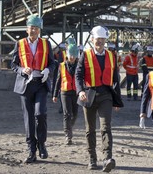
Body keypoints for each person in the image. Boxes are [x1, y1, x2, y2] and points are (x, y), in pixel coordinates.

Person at [75, 25, 123, 172]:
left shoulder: (111, 55)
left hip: (106, 96)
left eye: (102, 39)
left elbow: (115, 79)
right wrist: (80, 91)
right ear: (92, 40)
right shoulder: (85, 54)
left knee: (105, 127)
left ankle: (108, 158)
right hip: (89, 95)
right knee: (90, 130)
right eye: (97, 39)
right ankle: (92, 159)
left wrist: (117, 100)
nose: (100, 42)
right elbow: (78, 75)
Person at [11, 14, 55, 163]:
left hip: (41, 84)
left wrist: (48, 70)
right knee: (29, 118)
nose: (33, 31)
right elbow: (13, 64)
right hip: (25, 85)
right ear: (27, 29)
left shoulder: (46, 44)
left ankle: (41, 143)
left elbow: (52, 63)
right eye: (31, 28)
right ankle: (31, 149)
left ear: (39, 30)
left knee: (40, 114)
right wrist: (22, 70)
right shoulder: (20, 43)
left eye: (36, 28)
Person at [52, 43, 79, 145]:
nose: (72, 57)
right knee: (67, 114)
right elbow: (58, 81)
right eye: (70, 55)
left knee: (75, 114)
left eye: (74, 55)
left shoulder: (79, 66)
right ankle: (68, 136)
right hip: (65, 92)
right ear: (67, 54)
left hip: (76, 92)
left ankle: (69, 127)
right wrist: (54, 95)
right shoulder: (62, 66)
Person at [53, 42, 67, 113]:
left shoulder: (62, 53)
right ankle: (63, 107)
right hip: (64, 73)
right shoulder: (64, 53)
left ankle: (63, 107)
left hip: (64, 73)